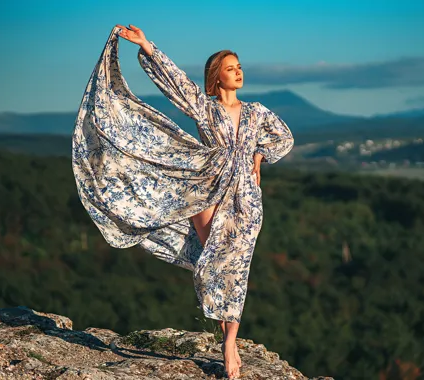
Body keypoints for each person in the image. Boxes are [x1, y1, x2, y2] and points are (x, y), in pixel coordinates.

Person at [71, 24, 294, 379]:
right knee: (213, 265)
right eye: (230, 67)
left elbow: (284, 137)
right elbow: (175, 82)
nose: (238, 71)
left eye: (239, 66)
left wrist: (259, 156)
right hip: (208, 189)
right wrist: (145, 45)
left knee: (236, 269)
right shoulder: (205, 108)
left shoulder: (257, 112)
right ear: (216, 78)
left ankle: (229, 343)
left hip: (247, 199)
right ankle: (226, 337)